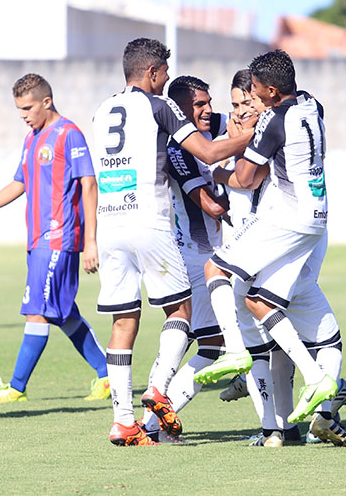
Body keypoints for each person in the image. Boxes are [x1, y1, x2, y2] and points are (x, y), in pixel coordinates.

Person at [91, 38, 254, 446]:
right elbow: (210, 151)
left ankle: (123, 421)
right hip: (149, 222)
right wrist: (254, 134)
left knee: (123, 321)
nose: (166, 79)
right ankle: (158, 387)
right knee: (178, 310)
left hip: (110, 224)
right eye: (164, 72)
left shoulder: (102, 110)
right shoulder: (159, 106)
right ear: (151, 73)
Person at [193, 50, 338, 427]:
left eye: (256, 91)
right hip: (317, 218)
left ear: (272, 91)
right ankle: (317, 378)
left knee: (216, 269)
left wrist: (219, 173)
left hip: (288, 217)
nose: (252, 98)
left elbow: (246, 178)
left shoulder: (274, 120)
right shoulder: (311, 104)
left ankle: (236, 352)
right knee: (259, 301)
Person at [0, 73, 110, 403]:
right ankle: (107, 375)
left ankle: (16, 387)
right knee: (63, 313)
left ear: (46, 102)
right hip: (38, 240)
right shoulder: (32, 138)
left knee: (37, 311)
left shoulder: (69, 134)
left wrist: (91, 241)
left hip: (59, 237)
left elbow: (89, 184)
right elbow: (18, 184)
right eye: (19, 109)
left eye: (27, 108)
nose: (23, 115)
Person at [140, 75, 232, 442]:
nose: (209, 111)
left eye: (210, 103)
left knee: (211, 343)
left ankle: (153, 422)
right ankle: (152, 420)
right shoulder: (180, 150)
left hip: (212, 256)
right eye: (200, 106)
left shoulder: (208, 125)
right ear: (181, 110)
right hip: (196, 257)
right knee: (214, 344)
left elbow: (250, 120)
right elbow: (210, 206)